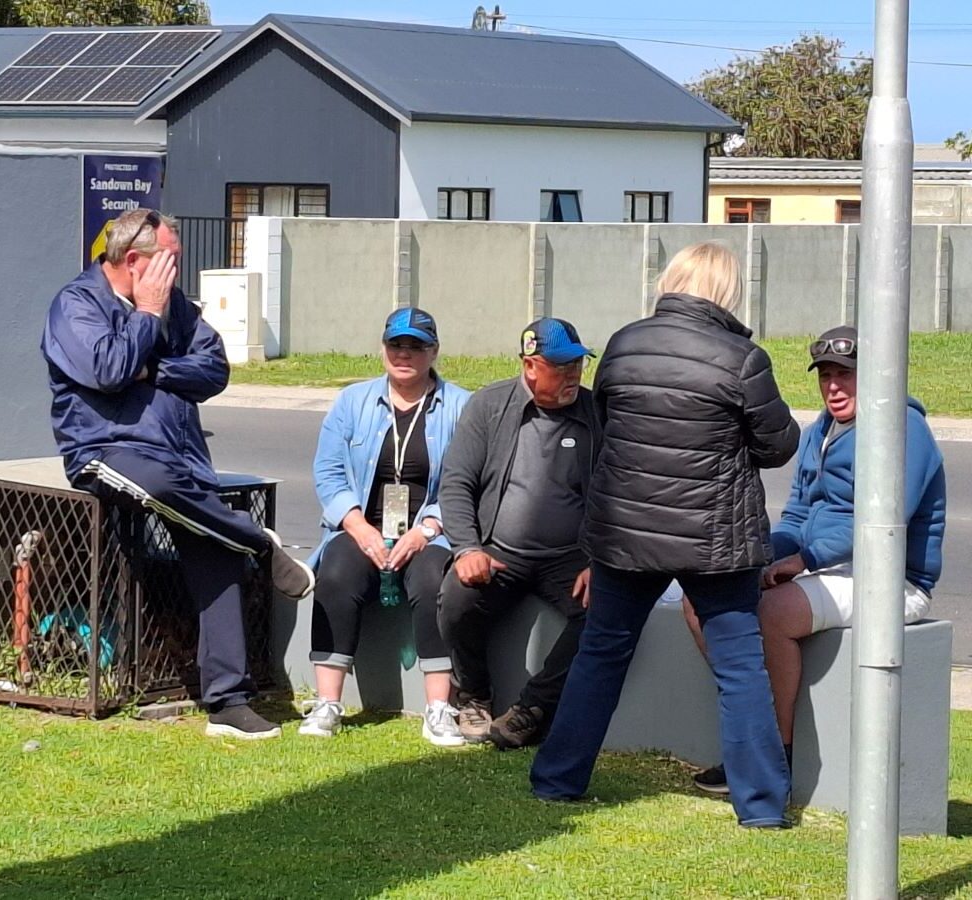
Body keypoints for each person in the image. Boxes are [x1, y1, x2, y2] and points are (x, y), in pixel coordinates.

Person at [530, 241, 799, 828]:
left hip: (626, 533)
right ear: (727, 291)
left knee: (601, 654)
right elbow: (779, 445)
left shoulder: (624, 345)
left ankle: (557, 778)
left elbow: (608, 431)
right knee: (740, 668)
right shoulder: (742, 359)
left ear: (671, 284)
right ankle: (760, 807)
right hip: (714, 537)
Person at [41, 208, 315, 741]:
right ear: (136, 260)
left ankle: (227, 702)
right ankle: (257, 540)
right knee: (166, 491)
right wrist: (145, 317)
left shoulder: (175, 310)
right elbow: (106, 370)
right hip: (105, 451)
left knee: (212, 545)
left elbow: (213, 368)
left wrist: (154, 368)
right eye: (170, 259)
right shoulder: (75, 305)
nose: (177, 270)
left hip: (180, 454)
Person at [687, 325, 947, 794]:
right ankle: (753, 734)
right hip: (824, 568)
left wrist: (805, 560)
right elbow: (799, 512)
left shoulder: (904, 430)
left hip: (891, 579)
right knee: (705, 597)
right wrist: (763, 555)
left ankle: (774, 758)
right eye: (826, 375)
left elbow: (883, 521)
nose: (833, 386)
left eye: (846, 375)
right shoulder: (820, 432)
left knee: (771, 612)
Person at [300, 308, 470, 745]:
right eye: (396, 344)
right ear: (382, 349)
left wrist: (427, 529)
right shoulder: (353, 401)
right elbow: (329, 472)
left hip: (430, 530)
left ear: (434, 352)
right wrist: (357, 526)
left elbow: (466, 482)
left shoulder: (460, 406)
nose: (404, 354)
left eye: (416, 346)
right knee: (335, 572)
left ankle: (438, 708)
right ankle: (327, 704)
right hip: (362, 528)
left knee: (435, 578)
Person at [437, 318, 600, 750]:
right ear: (530, 365)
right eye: (560, 367)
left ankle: (532, 709)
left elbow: (616, 494)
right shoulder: (489, 406)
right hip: (498, 552)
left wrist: (598, 559)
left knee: (604, 610)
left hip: (570, 557)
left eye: (578, 366)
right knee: (456, 599)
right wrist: (467, 548)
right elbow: (455, 483)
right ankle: (473, 696)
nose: (573, 376)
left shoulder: (595, 413)